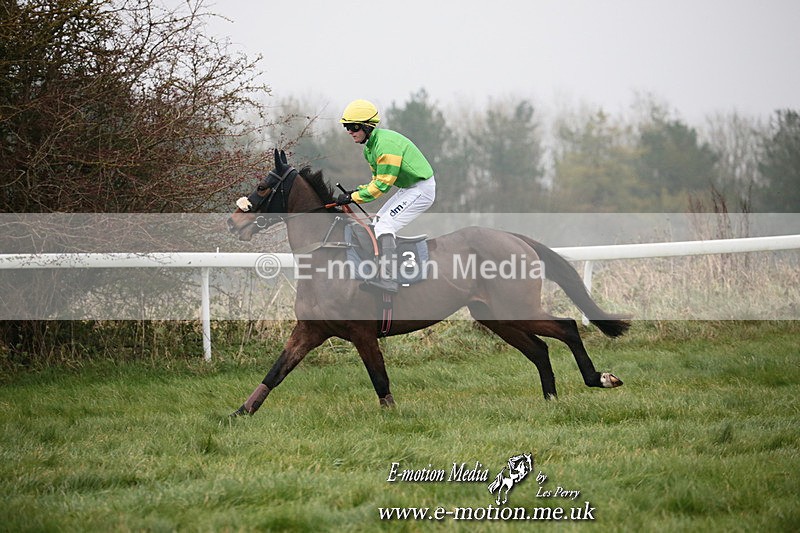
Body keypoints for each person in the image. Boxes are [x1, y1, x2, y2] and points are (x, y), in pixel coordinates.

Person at [337, 99, 436, 293]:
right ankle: (379, 269)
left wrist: (354, 197)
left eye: (353, 126)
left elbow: (381, 187)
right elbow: (376, 180)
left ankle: (388, 279)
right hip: (408, 188)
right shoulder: (370, 149)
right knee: (377, 223)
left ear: (367, 126)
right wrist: (353, 192)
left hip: (421, 189)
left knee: (384, 225)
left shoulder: (385, 146)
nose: (349, 131)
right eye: (346, 127)